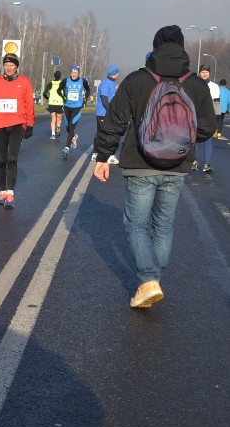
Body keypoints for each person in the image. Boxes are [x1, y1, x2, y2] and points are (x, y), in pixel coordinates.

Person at [93, 25, 217, 308]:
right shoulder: (196, 84)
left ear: (155, 46)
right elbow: (208, 127)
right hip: (178, 165)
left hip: (140, 163)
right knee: (163, 224)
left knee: (136, 224)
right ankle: (153, 282)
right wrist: (181, 138)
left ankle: (148, 280)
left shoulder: (137, 79)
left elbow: (115, 122)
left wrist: (103, 157)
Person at [0, 53, 35, 208]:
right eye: (6, 65)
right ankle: (2, 192)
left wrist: (30, 124)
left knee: (12, 158)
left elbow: (29, 104)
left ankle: (10, 194)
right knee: (1, 160)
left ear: (16, 66)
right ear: (3, 66)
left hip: (17, 124)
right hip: (0, 125)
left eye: (12, 65)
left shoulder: (24, 82)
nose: (9, 68)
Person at [58, 64, 91, 158]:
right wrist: (63, 96)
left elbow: (88, 90)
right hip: (67, 106)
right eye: (72, 72)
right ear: (70, 72)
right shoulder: (66, 80)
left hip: (77, 107)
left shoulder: (83, 81)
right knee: (68, 127)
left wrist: (85, 100)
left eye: (75, 72)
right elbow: (59, 90)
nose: (73, 74)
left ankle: (66, 148)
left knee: (72, 126)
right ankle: (74, 136)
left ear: (78, 73)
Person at [192, 64, 220, 172]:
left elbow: (216, 103)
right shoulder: (194, 84)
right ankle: (193, 162)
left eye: (206, 72)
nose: (204, 74)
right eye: (202, 72)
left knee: (208, 140)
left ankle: (207, 163)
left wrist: (217, 119)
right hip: (196, 115)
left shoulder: (214, 86)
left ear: (209, 73)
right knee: (194, 139)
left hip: (209, 117)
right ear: (199, 72)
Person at [92, 65, 120, 164]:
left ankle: (104, 154)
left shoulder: (112, 83)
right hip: (102, 113)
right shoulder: (105, 83)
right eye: (118, 73)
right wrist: (110, 110)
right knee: (102, 133)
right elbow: (104, 99)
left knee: (108, 133)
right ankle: (97, 154)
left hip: (108, 112)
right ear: (115, 74)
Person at [43, 70, 65, 139]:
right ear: (60, 76)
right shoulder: (62, 83)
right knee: (59, 118)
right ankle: (58, 126)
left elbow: (44, 93)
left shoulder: (50, 83)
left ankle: (53, 135)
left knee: (53, 119)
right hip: (59, 103)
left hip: (52, 103)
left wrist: (48, 98)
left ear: (54, 76)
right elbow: (64, 93)